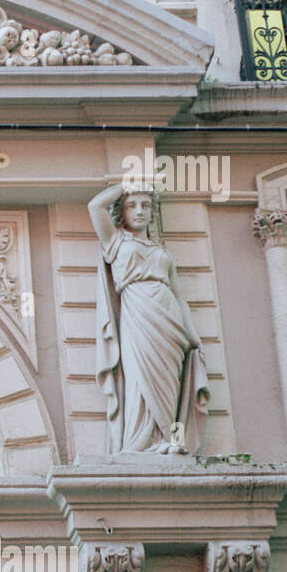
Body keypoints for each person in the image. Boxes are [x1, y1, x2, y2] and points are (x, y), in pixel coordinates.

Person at [88, 183, 209, 454]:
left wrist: (193, 335)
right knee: (139, 380)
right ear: (122, 211)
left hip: (171, 319)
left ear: (153, 212)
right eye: (132, 205)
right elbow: (95, 206)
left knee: (174, 386)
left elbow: (179, 296)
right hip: (138, 312)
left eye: (145, 205)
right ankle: (139, 444)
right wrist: (128, 182)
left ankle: (175, 442)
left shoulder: (162, 251)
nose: (139, 211)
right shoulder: (116, 239)